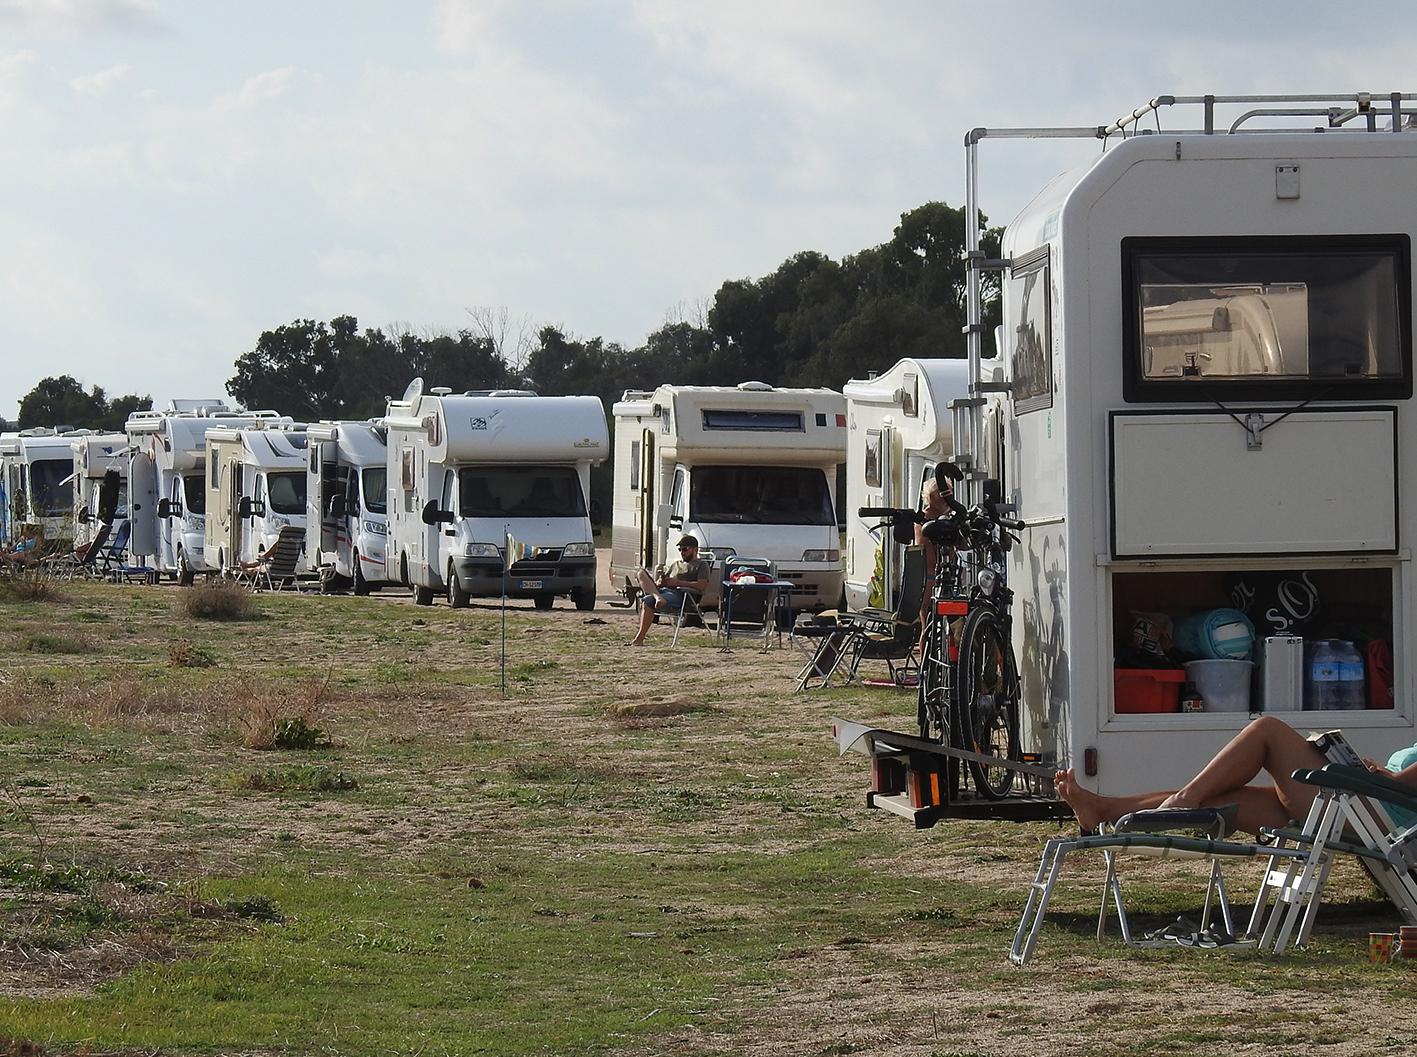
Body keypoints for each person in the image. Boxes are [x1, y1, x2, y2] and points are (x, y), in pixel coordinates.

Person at [1054, 715, 1417, 836]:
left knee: (1267, 730)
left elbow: (1400, 788)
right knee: (1217, 800)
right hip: (1367, 810)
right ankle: (1103, 808)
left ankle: (1182, 801)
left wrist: (1378, 774)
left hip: (1376, 816)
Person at [627, 535, 711, 646]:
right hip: (663, 592)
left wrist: (678, 583)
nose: (682, 552)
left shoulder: (701, 565)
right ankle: (657, 597)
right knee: (640, 573)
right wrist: (661, 581)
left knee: (647, 601)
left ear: (695, 549)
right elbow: (661, 581)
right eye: (680, 549)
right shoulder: (675, 564)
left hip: (681, 594)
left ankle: (639, 638)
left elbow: (702, 585)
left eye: (685, 549)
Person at [915, 475, 953, 650]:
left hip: (925, 579)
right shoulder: (927, 520)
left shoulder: (923, 517)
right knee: (930, 626)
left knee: (927, 627)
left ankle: (925, 670)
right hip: (932, 579)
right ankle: (927, 669)